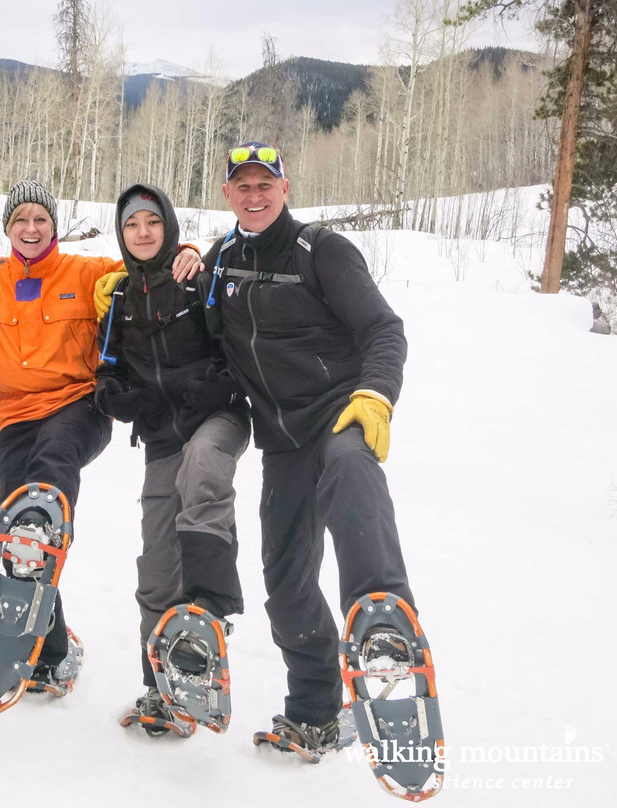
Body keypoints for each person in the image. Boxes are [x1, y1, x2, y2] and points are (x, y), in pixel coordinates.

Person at [201, 142, 418, 753]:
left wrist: (376, 393)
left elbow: (384, 328)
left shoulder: (322, 251)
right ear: (227, 196)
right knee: (286, 584)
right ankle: (315, 710)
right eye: (242, 186)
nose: (255, 194)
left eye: (265, 184)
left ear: (285, 188)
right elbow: (193, 332)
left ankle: (383, 624)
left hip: (339, 415)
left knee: (353, 470)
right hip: (283, 442)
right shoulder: (219, 261)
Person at [0, 180, 202, 689]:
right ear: (7, 227)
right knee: (17, 536)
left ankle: (41, 529)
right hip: (15, 415)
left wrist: (188, 250)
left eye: (40, 218)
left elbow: (147, 261)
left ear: (55, 225)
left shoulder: (85, 272)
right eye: (21, 220)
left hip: (78, 405)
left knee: (46, 483)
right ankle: (51, 655)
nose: (31, 228)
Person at [95, 184, 251, 733]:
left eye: (153, 223)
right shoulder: (118, 299)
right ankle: (159, 690)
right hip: (162, 434)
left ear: (169, 228)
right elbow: (107, 368)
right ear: (121, 233)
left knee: (203, 466)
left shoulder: (197, 280)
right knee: (157, 564)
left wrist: (218, 385)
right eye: (132, 224)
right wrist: (114, 396)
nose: (142, 232)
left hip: (216, 418)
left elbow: (237, 346)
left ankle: (209, 598)